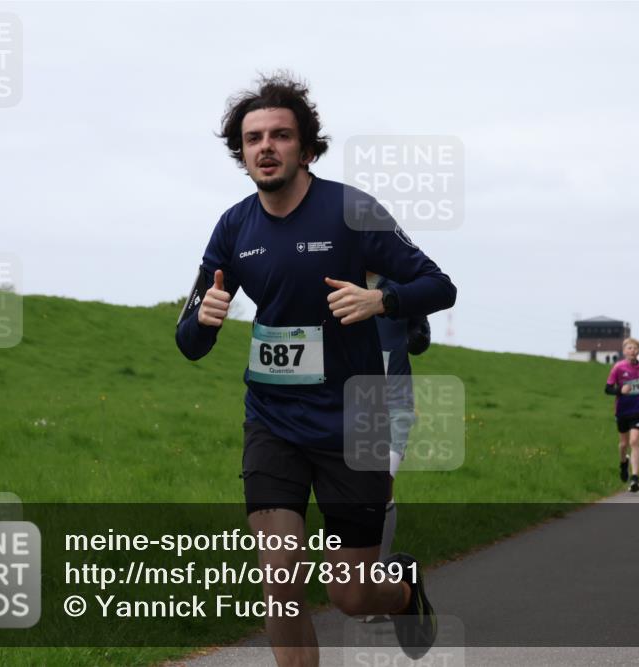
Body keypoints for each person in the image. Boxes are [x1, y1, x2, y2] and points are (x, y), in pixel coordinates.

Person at [175, 74, 455, 664]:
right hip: (273, 419)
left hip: (355, 421)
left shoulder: (351, 211)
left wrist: (382, 300)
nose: (266, 147)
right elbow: (189, 343)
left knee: (351, 595)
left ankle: (403, 592)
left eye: (280, 135)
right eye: (253, 138)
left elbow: (439, 285)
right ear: (241, 152)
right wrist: (204, 318)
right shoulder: (234, 226)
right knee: (279, 583)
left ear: (305, 148)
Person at [363, 272, 431, 623]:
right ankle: (374, 579)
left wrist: (418, 330)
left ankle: (376, 580)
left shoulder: (399, 288)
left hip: (395, 405)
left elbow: (420, 337)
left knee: (381, 485)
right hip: (353, 405)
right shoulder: (337, 280)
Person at [605, 338, 639, 492]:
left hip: (638, 409)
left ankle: (635, 479)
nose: (632, 350)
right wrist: (620, 390)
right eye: (629, 348)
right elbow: (607, 389)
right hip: (622, 410)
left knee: (634, 441)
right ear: (624, 351)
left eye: (635, 348)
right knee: (623, 444)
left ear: (638, 351)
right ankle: (623, 463)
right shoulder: (618, 367)